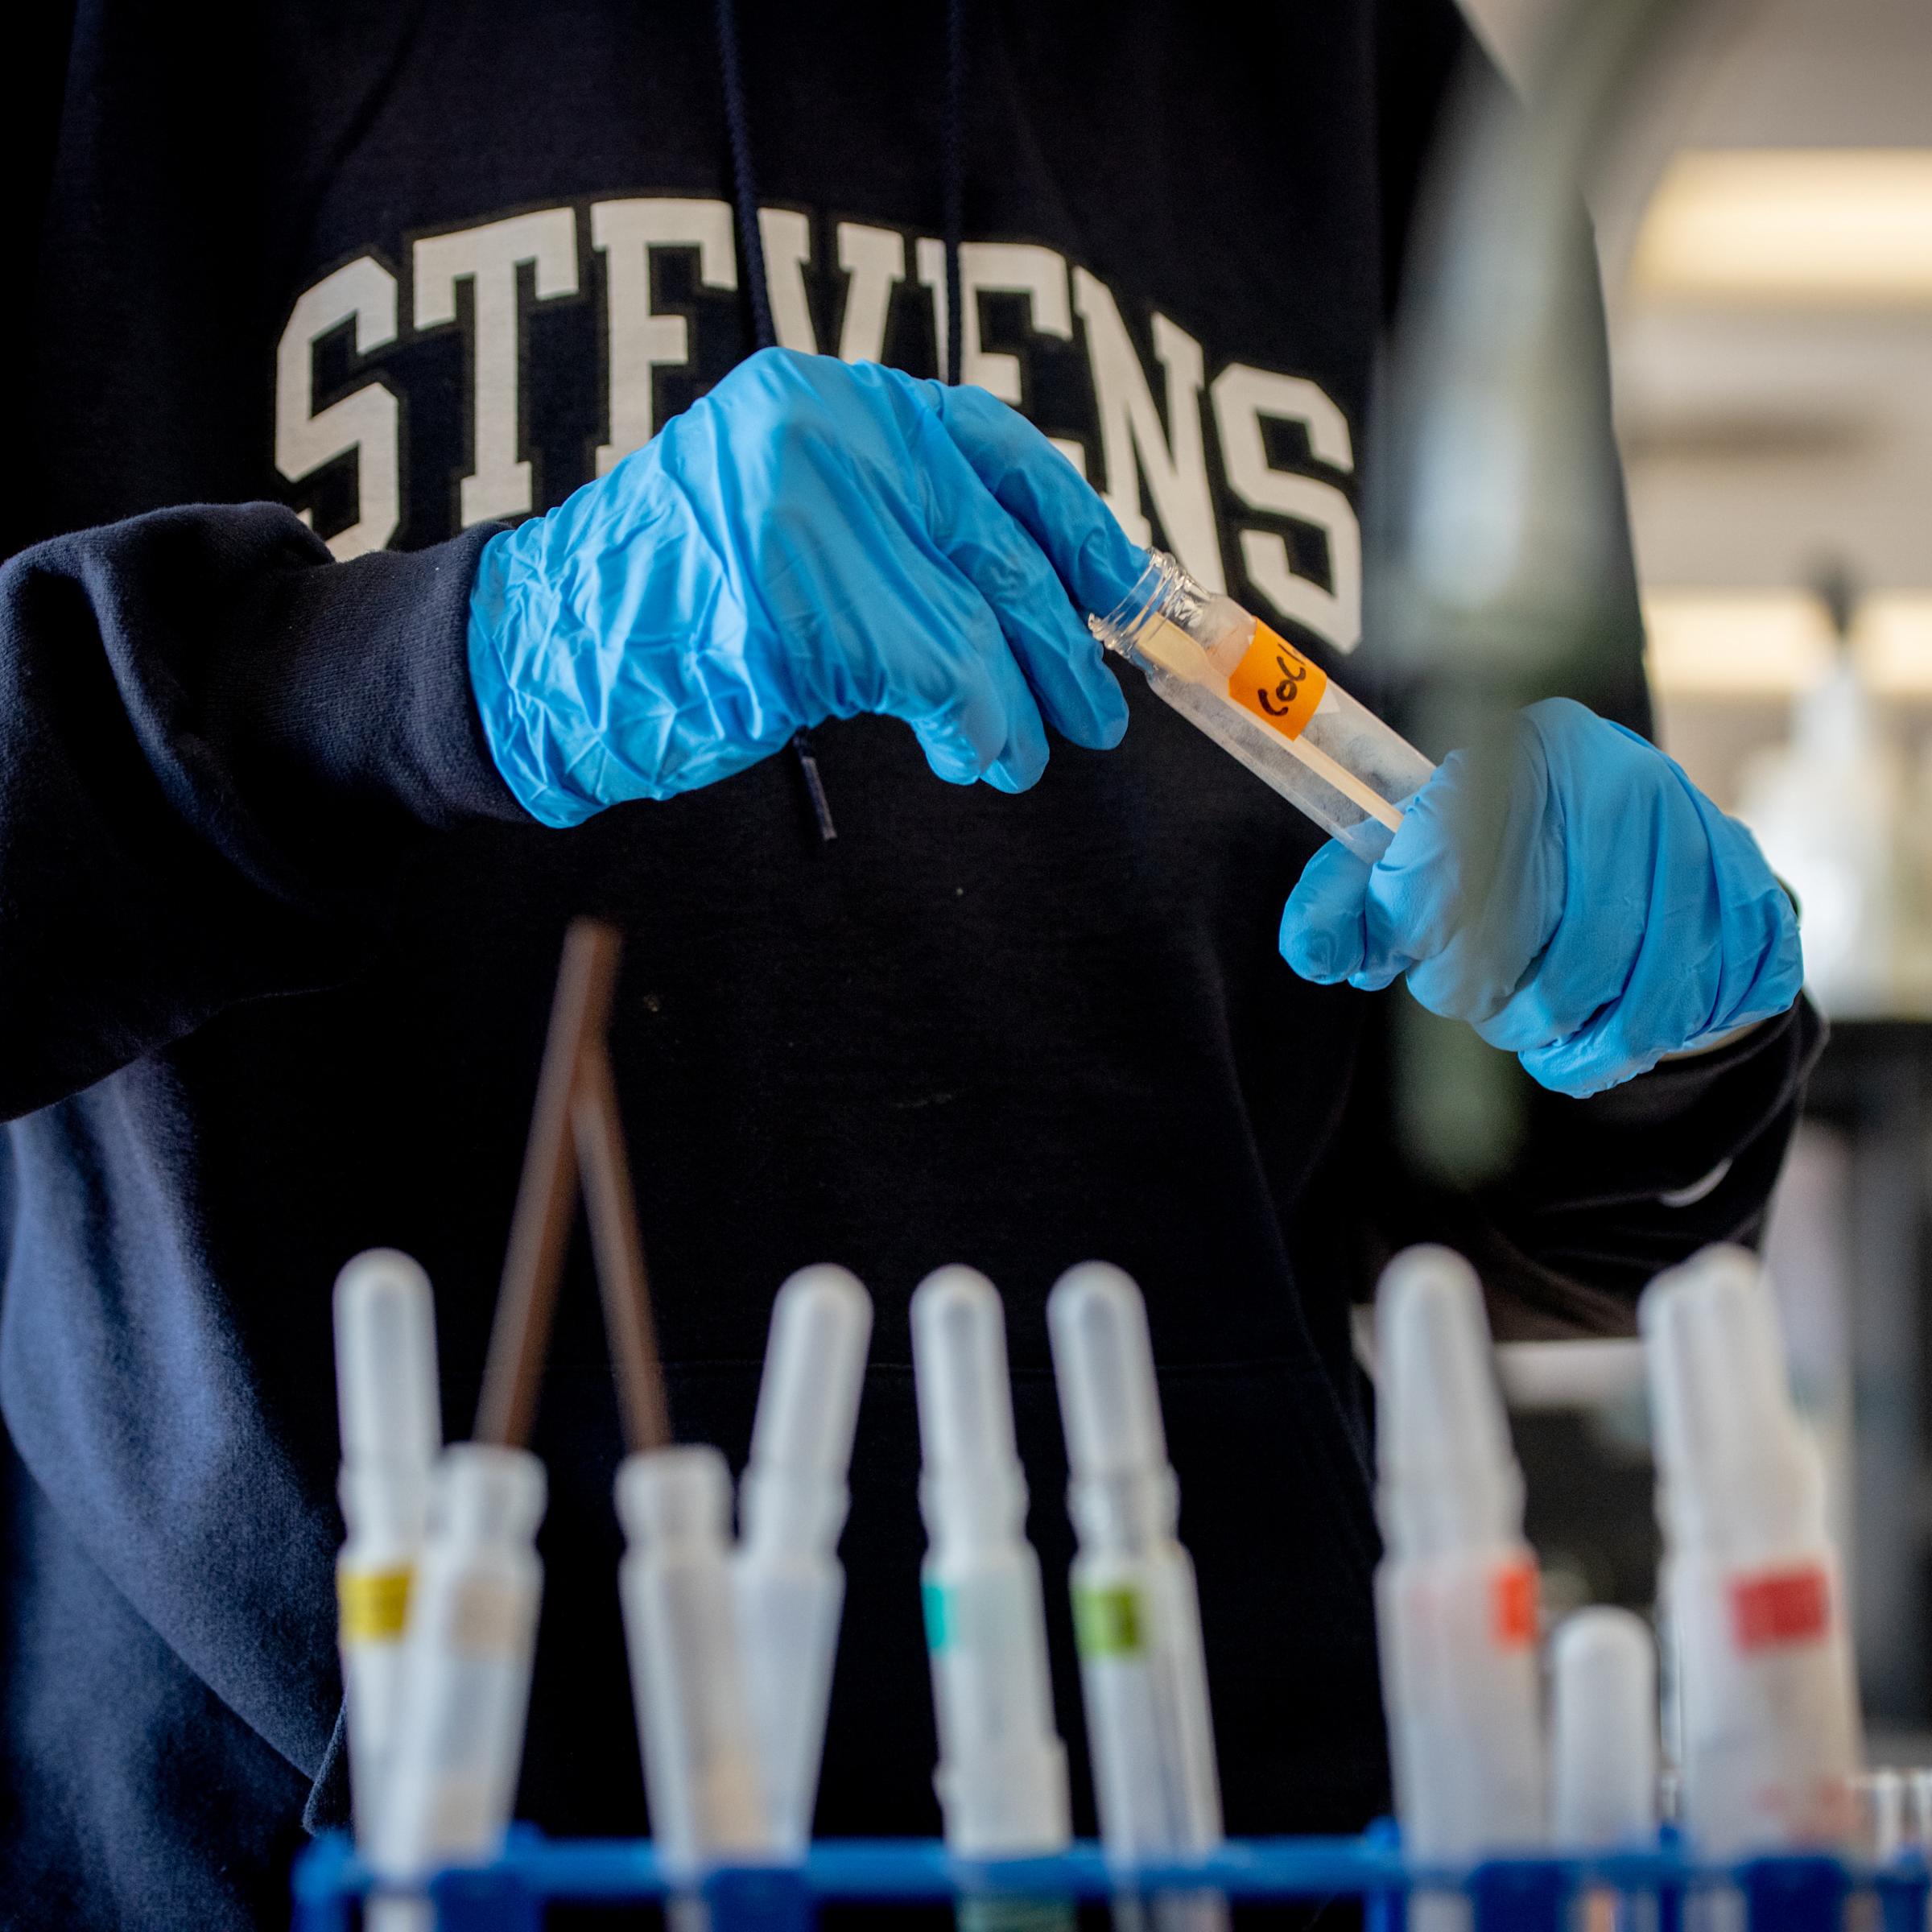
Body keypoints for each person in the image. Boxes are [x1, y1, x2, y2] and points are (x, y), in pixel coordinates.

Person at [1, 2, 1816, 1926]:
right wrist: (422, 673)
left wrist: (1661, 1033)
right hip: (332, 1838)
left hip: (1217, 1824)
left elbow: (1529, 1188)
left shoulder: (1366, 77)